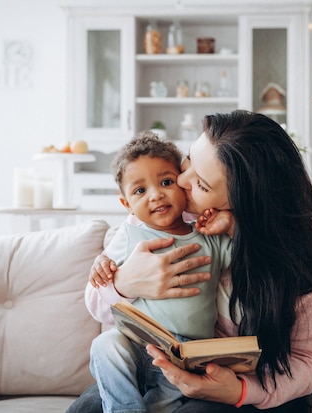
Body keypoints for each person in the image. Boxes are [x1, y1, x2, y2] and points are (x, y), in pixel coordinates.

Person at [67, 110, 312, 413]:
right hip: (159, 359)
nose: (180, 180)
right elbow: (98, 301)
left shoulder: (303, 249)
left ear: (242, 199)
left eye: (203, 184)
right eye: (191, 159)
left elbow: (308, 362)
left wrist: (241, 390)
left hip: (251, 388)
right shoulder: (170, 208)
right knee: (86, 409)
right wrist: (123, 282)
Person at [86, 131, 233, 413]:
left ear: (183, 183)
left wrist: (230, 223)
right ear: (126, 204)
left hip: (187, 354)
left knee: (163, 404)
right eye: (140, 191)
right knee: (105, 344)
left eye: (166, 182)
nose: (156, 195)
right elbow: (99, 289)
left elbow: (246, 256)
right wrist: (102, 268)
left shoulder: (209, 236)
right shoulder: (129, 235)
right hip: (138, 342)